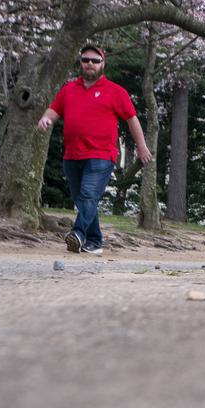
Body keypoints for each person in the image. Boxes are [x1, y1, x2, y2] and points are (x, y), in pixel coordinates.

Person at [36, 44, 152, 255]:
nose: (90, 64)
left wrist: (142, 147)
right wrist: (45, 118)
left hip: (101, 155)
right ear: (80, 62)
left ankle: (78, 233)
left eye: (95, 61)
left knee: (88, 195)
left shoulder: (116, 92)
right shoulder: (69, 89)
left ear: (102, 64)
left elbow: (132, 119)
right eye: (85, 60)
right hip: (72, 154)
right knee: (81, 199)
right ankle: (95, 241)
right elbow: (54, 109)